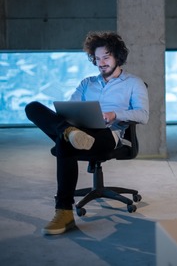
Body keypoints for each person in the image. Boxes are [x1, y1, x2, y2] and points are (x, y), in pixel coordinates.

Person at [25, 31, 149, 235]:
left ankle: (64, 212)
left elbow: (143, 115)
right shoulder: (87, 83)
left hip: (108, 134)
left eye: (106, 57)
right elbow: (68, 108)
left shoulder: (133, 83)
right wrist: (68, 120)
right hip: (80, 129)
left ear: (118, 56)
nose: (101, 63)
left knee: (64, 142)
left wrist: (114, 114)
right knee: (33, 108)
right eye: (97, 58)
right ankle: (69, 132)